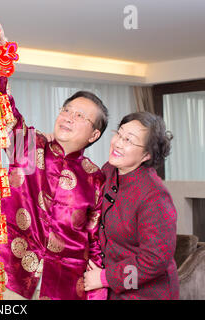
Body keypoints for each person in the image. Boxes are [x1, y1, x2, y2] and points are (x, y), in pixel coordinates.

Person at [0, 23, 109, 300]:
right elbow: (2, 111)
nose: (69, 116)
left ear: (95, 134)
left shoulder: (95, 178)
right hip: (13, 272)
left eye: (81, 116)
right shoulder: (30, 146)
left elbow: (95, 242)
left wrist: (97, 291)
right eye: (66, 109)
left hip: (66, 284)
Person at [83, 111, 179, 299]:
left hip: (146, 293)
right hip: (111, 290)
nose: (118, 142)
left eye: (129, 140)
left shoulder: (154, 196)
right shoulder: (110, 170)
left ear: (146, 155)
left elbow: (155, 260)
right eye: (119, 133)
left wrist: (105, 278)